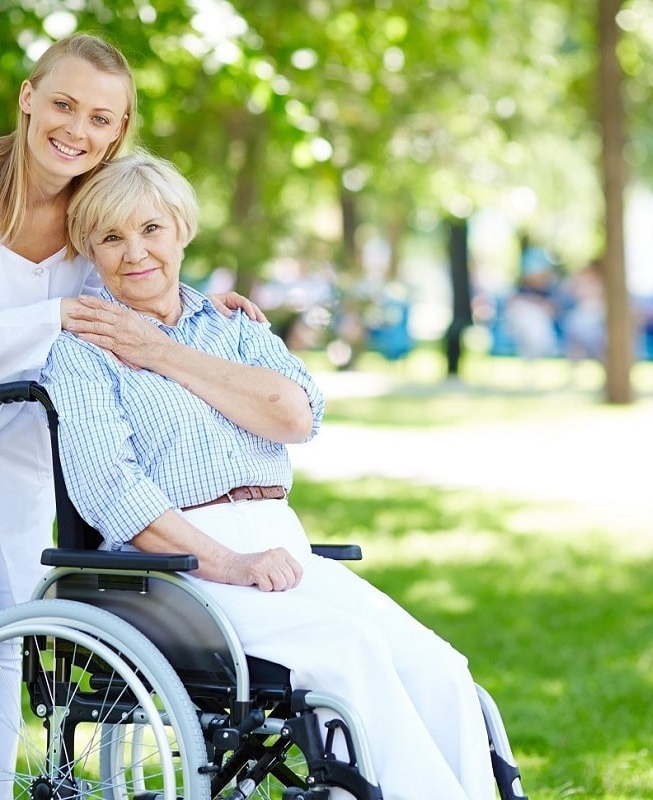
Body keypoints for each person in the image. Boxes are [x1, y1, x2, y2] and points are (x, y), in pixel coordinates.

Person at [0, 33, 261, 793]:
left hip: (17, 415)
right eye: (64, 105)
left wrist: (219, 311)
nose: (79, 130)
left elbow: (143, 273)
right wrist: (59, 318)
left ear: (121, 129)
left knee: (12, 622)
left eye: (103, 119)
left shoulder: (97, 207)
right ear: (28, 99)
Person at [41, 152, 497, 800]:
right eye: (111, 237)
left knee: (439, 669)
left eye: (151, 229)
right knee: (351, 653)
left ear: (181, 232)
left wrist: (162, 354)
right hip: (179, 570)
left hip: (280, 542)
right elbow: (111, 489)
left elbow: (295, 415)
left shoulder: (235, 325)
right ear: (90, 249)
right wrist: (227, 563)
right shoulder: (83, 351)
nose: (134, 252)